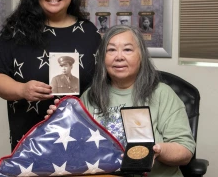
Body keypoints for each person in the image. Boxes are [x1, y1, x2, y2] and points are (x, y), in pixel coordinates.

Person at [47, 25, 196, 177]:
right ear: (102, 57)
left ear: (141, 55)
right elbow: (75, 147)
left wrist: (158, 150)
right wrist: (60, 122)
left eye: (127, 49)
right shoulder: (91, 95)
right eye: (111, 50)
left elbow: (185, 151)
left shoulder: (162, 94)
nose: (119, 57)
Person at [0, 0, 101, 151]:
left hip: (81, 136)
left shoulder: (90, 33)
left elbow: (105, 84)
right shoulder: (17, 31)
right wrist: (22, 90)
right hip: (30, 138)